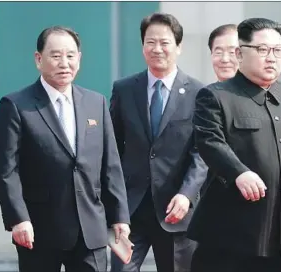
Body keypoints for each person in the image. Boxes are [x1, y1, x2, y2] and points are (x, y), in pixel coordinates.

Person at [0, 26, 130, 272]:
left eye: (70, 55)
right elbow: (6, 170)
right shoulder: (15, 105)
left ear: (79, 58)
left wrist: (120, 215)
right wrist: (18, 218)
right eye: (55, 56)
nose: (64, 63)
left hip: (91, 228)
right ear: (39, 59)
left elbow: (110, 165)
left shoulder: (95, 102)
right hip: (39, 229)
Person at [188, 17, 281, 272]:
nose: (272, 57)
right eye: (262, 50)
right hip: (235, 237)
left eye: (278, 50)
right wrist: (239, 172)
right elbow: (210, 141)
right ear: (239, 53)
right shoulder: (216, 96)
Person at [109, 13, 208, 272]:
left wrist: (186, 195)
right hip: (130, 211)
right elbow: (112, 149)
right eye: (150, 42)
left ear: (178, 46)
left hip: (176, 209)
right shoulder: (124, 89)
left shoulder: (199, 93)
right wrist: (114, 202)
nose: (157, 49)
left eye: (164, 42)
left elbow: (202, 153)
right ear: (142, 47)